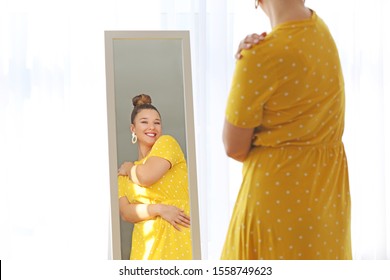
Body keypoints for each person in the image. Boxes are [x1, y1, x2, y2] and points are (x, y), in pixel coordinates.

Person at [221, 0, 352, 260]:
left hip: (275, 202)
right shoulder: (321, 32)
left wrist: (245, 65)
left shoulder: (261, 55)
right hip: (325, 201)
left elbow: (233, 146)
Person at [117, 94, 192, 260]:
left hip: (176, 238)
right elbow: (126, 213)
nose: (152, 127)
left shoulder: (167, 143)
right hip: (145, 248)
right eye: (144, 122)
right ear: (133, 129)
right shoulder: (123, 177)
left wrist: (130, 168)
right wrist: (159, 209)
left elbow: (146, 176)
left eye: (157, 123)